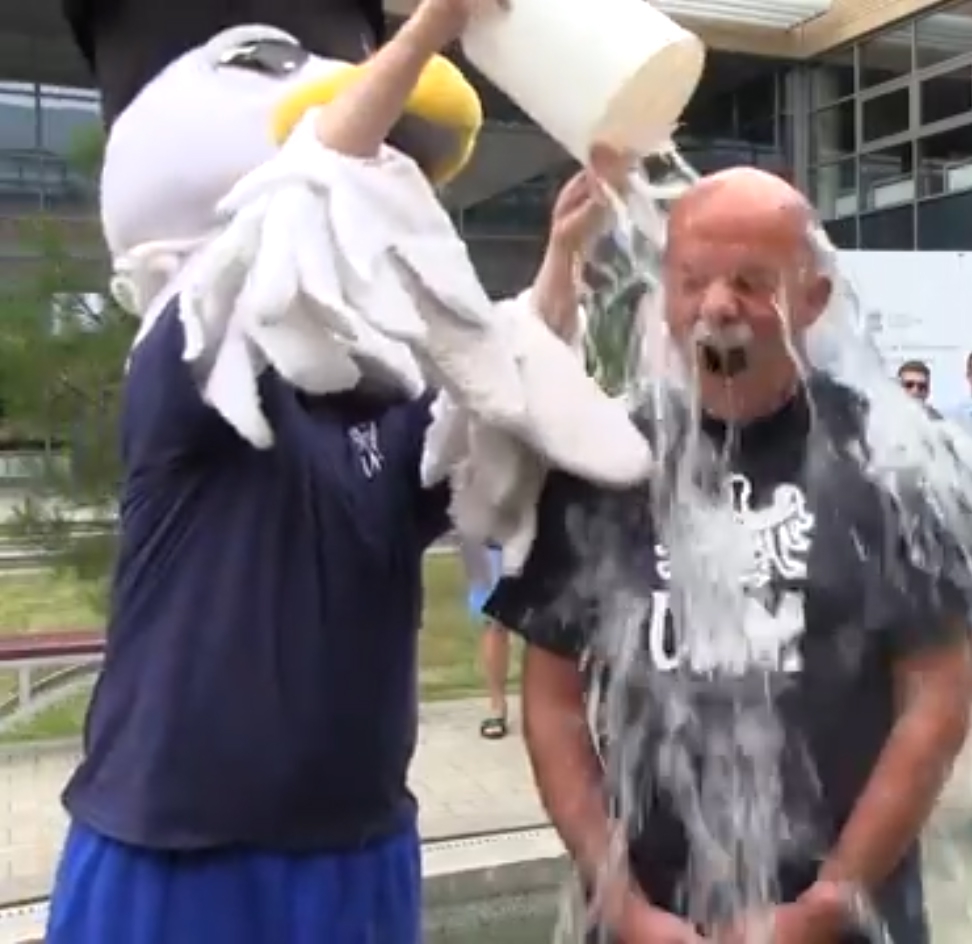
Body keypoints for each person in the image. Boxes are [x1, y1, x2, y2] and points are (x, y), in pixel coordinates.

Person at [45, 0, 635, 939]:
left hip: (355, 842)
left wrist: (563, 256)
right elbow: (299, 200)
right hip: (180, 843)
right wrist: (430, 29)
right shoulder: (190, 351)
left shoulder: (382, 400)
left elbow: (494, 397)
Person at [486, 167, 972, 944]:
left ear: (812, 298)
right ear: (665, 296)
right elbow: (551, 700)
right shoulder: (604, 461)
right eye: (693, 281)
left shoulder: (893, 466)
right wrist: (619, 902)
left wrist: (830, 901)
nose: (718, 306)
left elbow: (939, 697)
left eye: (752, 283)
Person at [462, 539, 512, 739]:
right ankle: (497, 705)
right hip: (487, 536)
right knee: (493, 619)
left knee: (546, 620)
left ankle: (548, 702)